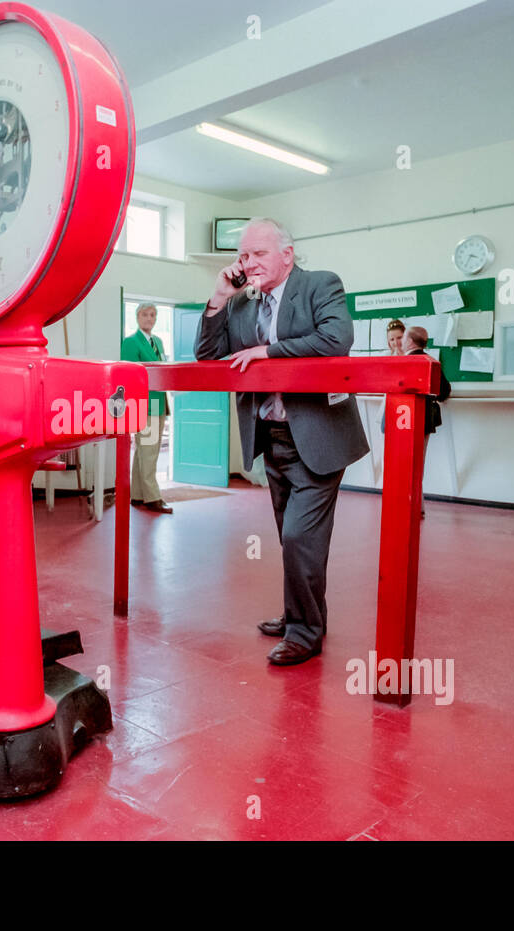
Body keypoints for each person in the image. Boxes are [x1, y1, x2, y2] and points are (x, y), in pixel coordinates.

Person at [195, 218, 368, 666]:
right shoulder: (242, 304)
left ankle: (305, 634)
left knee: (297, 536)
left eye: (258, 254)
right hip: (272, 434)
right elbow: (207, 356)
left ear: (286, 255)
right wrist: (219, 297)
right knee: (294, 538)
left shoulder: (319, 285)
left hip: (318, 435)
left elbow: (336, 338)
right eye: (243, 256)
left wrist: (267, 352)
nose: (248, 263)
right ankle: (300, 615)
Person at [121, 303, 172, 513]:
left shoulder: (157, 341)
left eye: (153, 315)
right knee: (149, 451)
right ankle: (153, 497)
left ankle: (137, 495)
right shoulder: (131, 342)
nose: (149, 319)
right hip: (144, 405)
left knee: (144, 450)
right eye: (145, 315)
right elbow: (129, 375)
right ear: (137, 317)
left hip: (159, 402)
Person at [401, 326, 451, 518]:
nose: (401, 341)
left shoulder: (407, 362)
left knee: (406, 465)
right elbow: (445, 390)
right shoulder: (430, 361)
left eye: (404, 337)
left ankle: (411, 504)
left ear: (411, 341)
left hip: (405, 420)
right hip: (425, 420)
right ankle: (417, 504)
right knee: (418, 463)